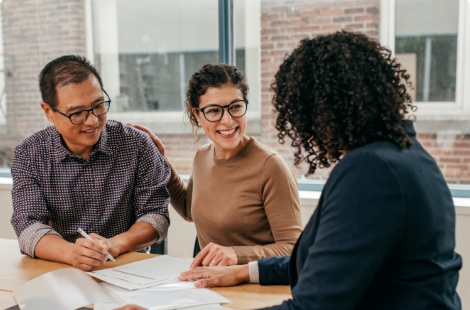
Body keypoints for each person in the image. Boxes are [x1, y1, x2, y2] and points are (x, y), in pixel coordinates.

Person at [175, 31, 463, 309]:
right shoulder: (406, 154)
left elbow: (314, 304)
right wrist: (244, 271)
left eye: (306, 116)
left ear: (328, 111)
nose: (307, 132)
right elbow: (326, 260)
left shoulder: (372, 171)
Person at [131, 63, 303, 268]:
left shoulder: (271, 167)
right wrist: (161, 162)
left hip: (255, 288)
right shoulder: (202, 156)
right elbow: (189, 210)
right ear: (197, 115)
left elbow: (294, 248)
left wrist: (236, 254)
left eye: (236, 107)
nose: (228, 120)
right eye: (214, 111)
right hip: (211, 281)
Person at [10, 55, 171, 271]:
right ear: (48, 111)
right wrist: (72, 253)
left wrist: (114, 244)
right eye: (77, 113)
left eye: (98, 106)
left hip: (127, 267)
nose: (93, 121)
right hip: (60, 268)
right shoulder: (29, 154)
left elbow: (156, 215)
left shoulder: (137, 144)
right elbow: (28, 226)